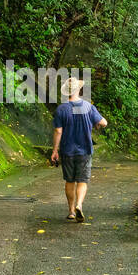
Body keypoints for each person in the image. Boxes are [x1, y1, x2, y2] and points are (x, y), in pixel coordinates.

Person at [50, 76, 107, 222]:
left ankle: (71, 211)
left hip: (67, 151)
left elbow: (58, 132)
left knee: (70, 181)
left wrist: (55, 151)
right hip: (85, 150)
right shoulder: (88, 107)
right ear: (78, 89)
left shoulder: (61, 109)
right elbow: (103, 123)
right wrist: (96, 124)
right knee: (82, 180)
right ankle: (79, 205)